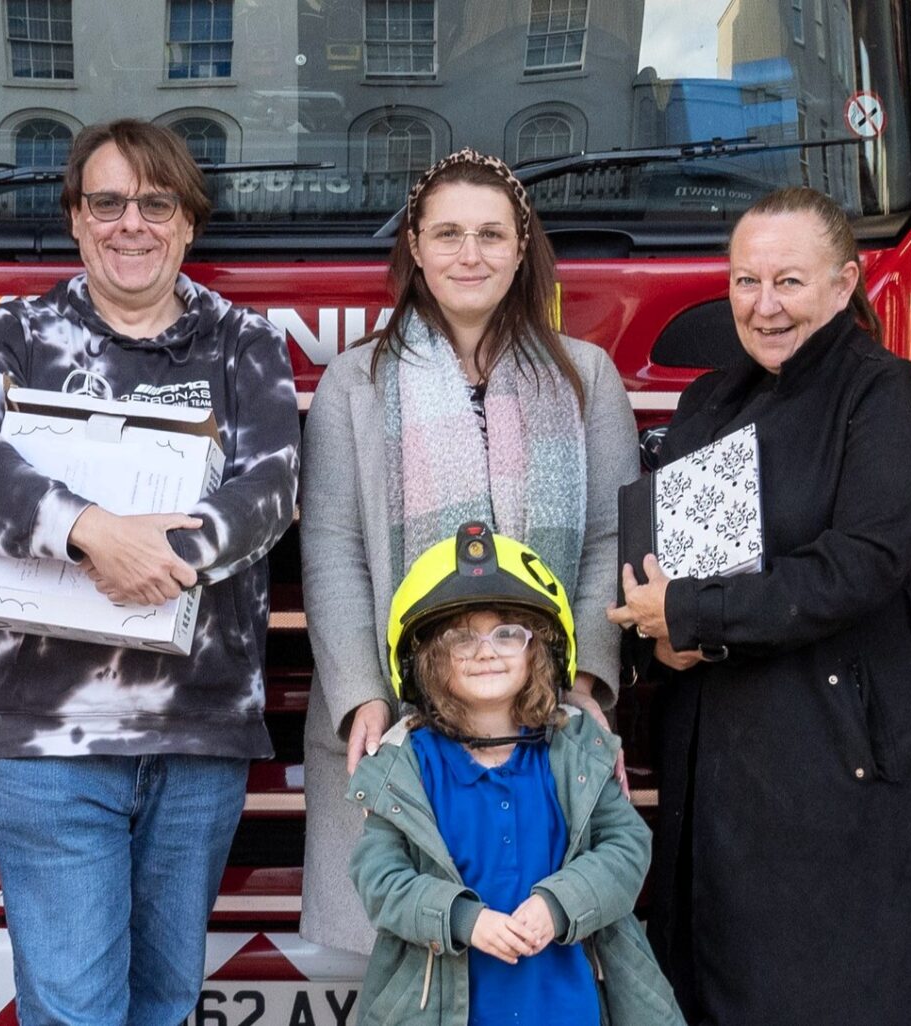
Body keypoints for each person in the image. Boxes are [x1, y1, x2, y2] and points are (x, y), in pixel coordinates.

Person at [0, 119, 299, 1026]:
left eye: (155, 203)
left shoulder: (243, 342)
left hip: (198, 737)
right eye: (108, 203)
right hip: (54, 741)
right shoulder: (15, 332)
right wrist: (95, 533)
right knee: (74, 1012)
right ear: (75, 219)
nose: (131, 224)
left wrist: (162, 557)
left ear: (187, 223)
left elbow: (273, 488)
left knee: (165, 1004)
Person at [607, 186, 911, 1026]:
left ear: (845, 286)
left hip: (840, 773)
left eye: (789, 283)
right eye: (745, 282)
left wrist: (692, 615)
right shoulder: (706, 404)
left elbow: (858, 566)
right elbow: (663, 570)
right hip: (718, 773)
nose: (763, 306)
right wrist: (654, 638)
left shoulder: (886, 397)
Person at [299, 147, 639, 954]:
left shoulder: (587, 376)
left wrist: (587, 677)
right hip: (401, 714)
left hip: (543, 716)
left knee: (536, 943)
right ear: (414, 246)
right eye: (447, 233)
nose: (469, 253)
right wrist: (361, 697)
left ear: (523, 248)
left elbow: (607, 543)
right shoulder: (353, 383)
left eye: (491, 234)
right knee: (417, 954)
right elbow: (333, 550)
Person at [347, 523, 683, 1026]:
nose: (487, 651)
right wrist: (463, 920)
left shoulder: (575, 753)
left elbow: (627, 849)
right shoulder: (407, 765)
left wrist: (560, 905)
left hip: (567, 1009)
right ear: (430, 661)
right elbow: (380, 878)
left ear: (538, 650)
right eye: (463, 638)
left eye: (508, 633)